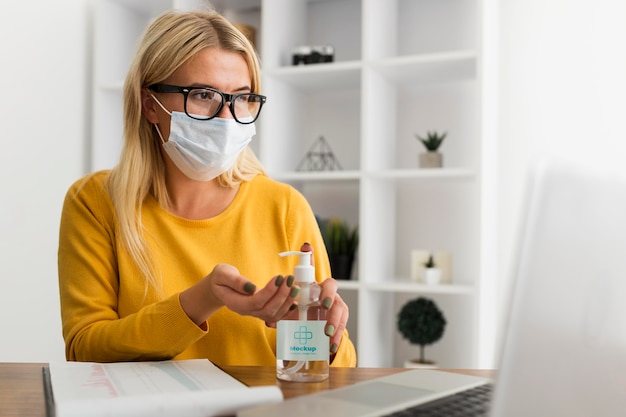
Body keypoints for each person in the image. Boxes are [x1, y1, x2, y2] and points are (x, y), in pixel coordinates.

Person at [57, 8, 357, 367]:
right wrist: (199, 301)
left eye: (241, 97)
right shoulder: (95, 202)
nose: (227, 119)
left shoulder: (285, 207)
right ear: (149, 105)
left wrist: (320, 338)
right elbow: (84, 349)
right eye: (203, 95)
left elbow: (342, 367)